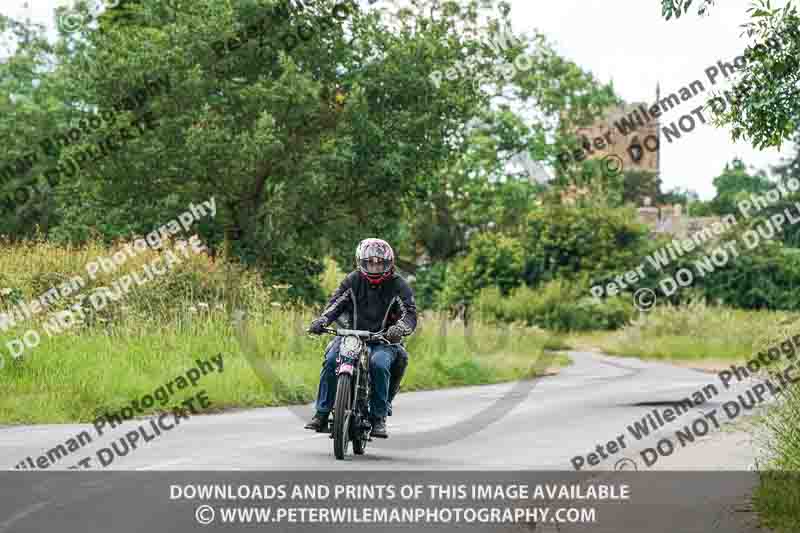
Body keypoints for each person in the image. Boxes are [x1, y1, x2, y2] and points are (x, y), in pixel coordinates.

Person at [305, 238, 417, 438]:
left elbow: (409, 314)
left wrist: (399, 328)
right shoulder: (352, 280)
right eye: (370, 262)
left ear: (388, 263)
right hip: (351, 336)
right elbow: (335, 304)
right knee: (332, 360)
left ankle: (378, 418)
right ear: (361, 262)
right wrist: (322, 320)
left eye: (379, 263)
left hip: (383, 341)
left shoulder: (398, 285)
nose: (375, 266)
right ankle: (321, 413)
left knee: (379, 364)